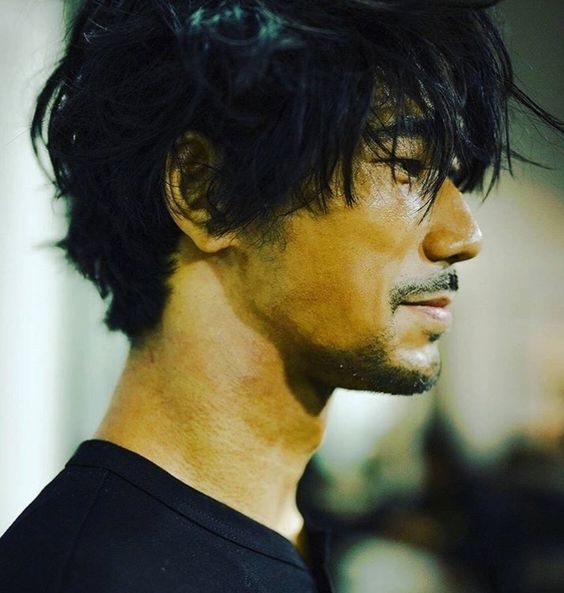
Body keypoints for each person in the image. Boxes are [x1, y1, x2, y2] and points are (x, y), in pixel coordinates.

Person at [0, 1, 562, 592]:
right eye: (405, 163)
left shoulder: (280, 542)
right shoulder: (88, 575)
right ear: (205, 192)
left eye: (454, 178)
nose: (465, 236)